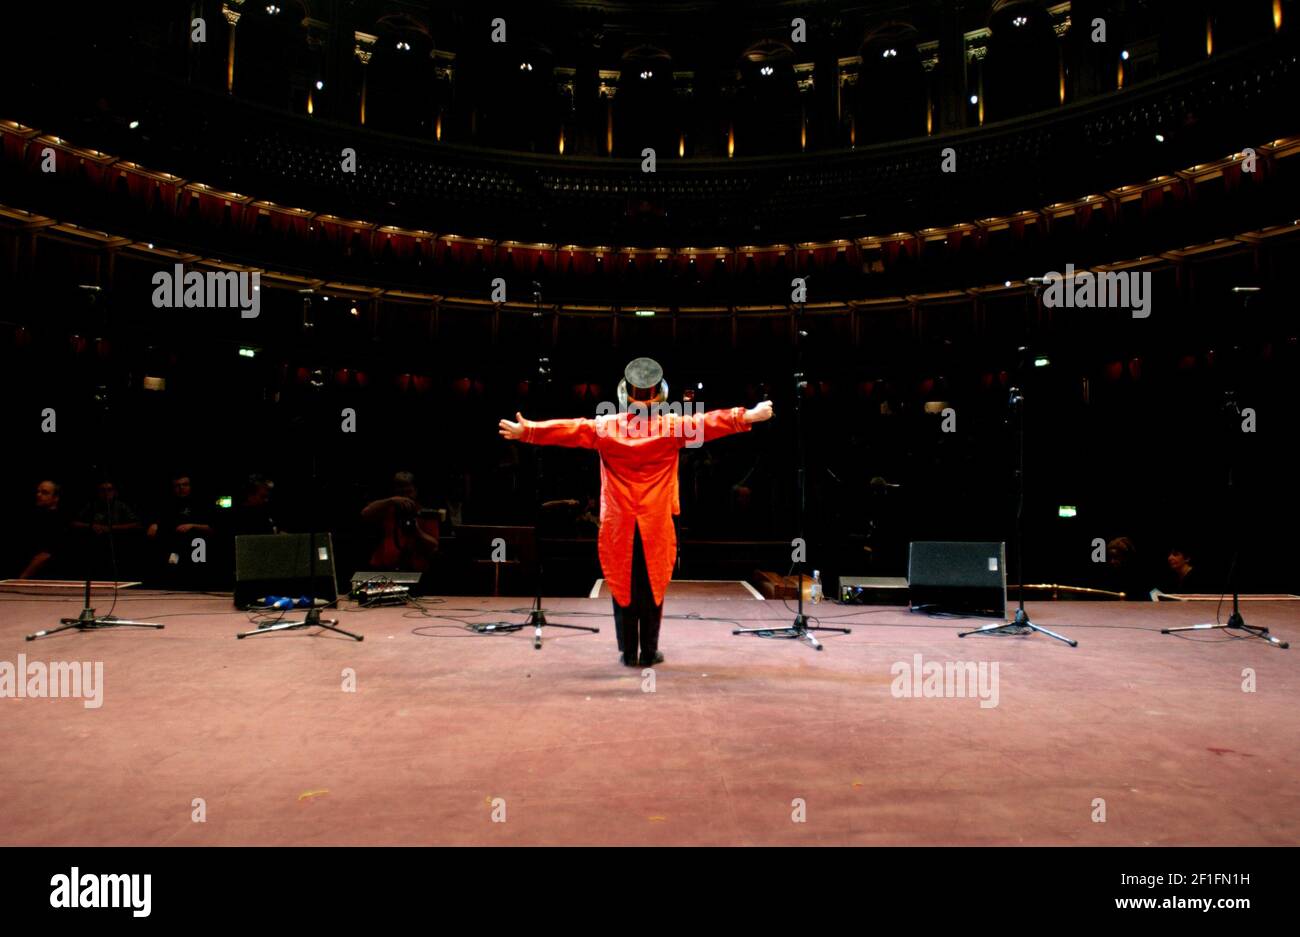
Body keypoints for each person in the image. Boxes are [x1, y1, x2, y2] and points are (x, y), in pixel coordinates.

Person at [499, 356, 773, 668]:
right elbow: (708, 423)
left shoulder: (606, 428)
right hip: (655, 522)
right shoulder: (672, 427)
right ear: (659, 396)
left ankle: (629, 651)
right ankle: (649, 651)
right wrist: (748, 415)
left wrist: (529, 431)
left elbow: (571, 430)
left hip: (619, 523)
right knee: (652, 584)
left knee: (622, 583)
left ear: (625, 395)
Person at [360, 471, 440, 571]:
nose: (405, 498)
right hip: (384, 567)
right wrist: (390, 501)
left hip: (416, 569)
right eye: (401, 493)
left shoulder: (425, 513)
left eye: (408, 492)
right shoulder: (387, 509)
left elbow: (434, 546)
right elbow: (365, 513)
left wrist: (416, 532)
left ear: (416, 491)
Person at [147, 474, 214, 587]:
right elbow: (160, 521)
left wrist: (192, 526)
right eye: (177, 486)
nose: (181, 488)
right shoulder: (168, 504)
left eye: (185, 485)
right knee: (172, 561)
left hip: (198, 546)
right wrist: (155, 524)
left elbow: (212, 528)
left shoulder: (202, 504)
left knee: (198, 550)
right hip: (176, 547)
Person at [17, 479, 68, 579]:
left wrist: (22, 578)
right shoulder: (37, 517)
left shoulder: (56, 521)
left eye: (44, 492)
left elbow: (45, 554)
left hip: (47, 576)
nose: (39, 495)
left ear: (56, 498)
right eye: (38, 491)